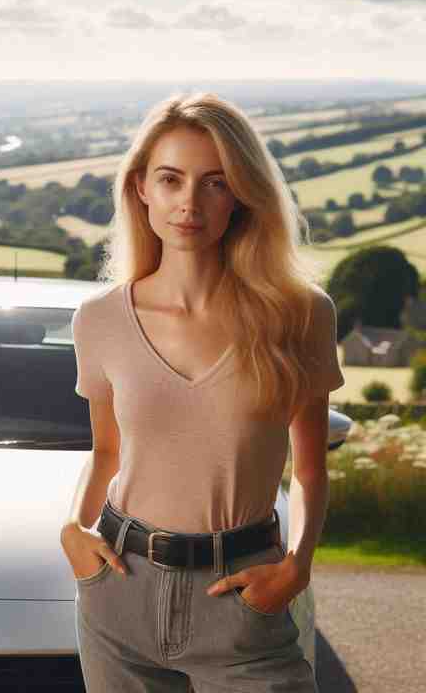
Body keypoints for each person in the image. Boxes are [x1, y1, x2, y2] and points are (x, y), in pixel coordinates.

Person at [59, 91, 344, 692]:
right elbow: (106, 450)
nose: (189, 203)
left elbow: (311, 473)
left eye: (215, 183)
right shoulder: (100, 319)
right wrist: (72, 529)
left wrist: (295, 568)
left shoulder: (300, 316)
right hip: (119, 592)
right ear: (141, 188)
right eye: (171, 180)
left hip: (241, 601)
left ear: (241, 195)